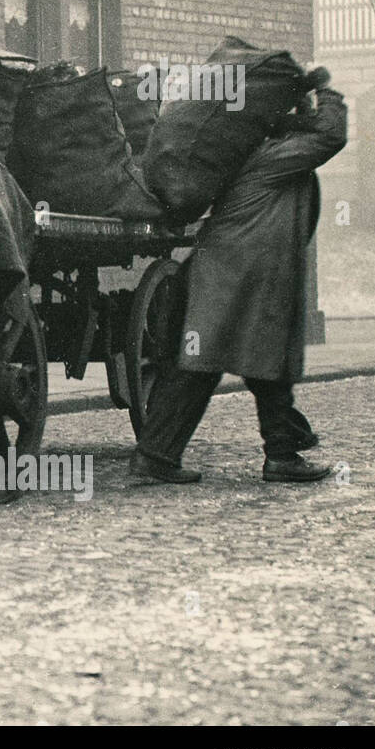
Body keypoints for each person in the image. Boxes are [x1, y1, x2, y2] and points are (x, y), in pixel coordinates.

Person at [131, 66, 347, 484]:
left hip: (241, 271)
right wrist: (327, 90)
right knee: (220, 364)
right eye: (300, 107)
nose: (308, 112)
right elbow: (331, 135)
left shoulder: (262, 147)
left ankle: (276, 452)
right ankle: (160, 457)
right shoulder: (276, 151)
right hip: (240, 274)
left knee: (249, 363)